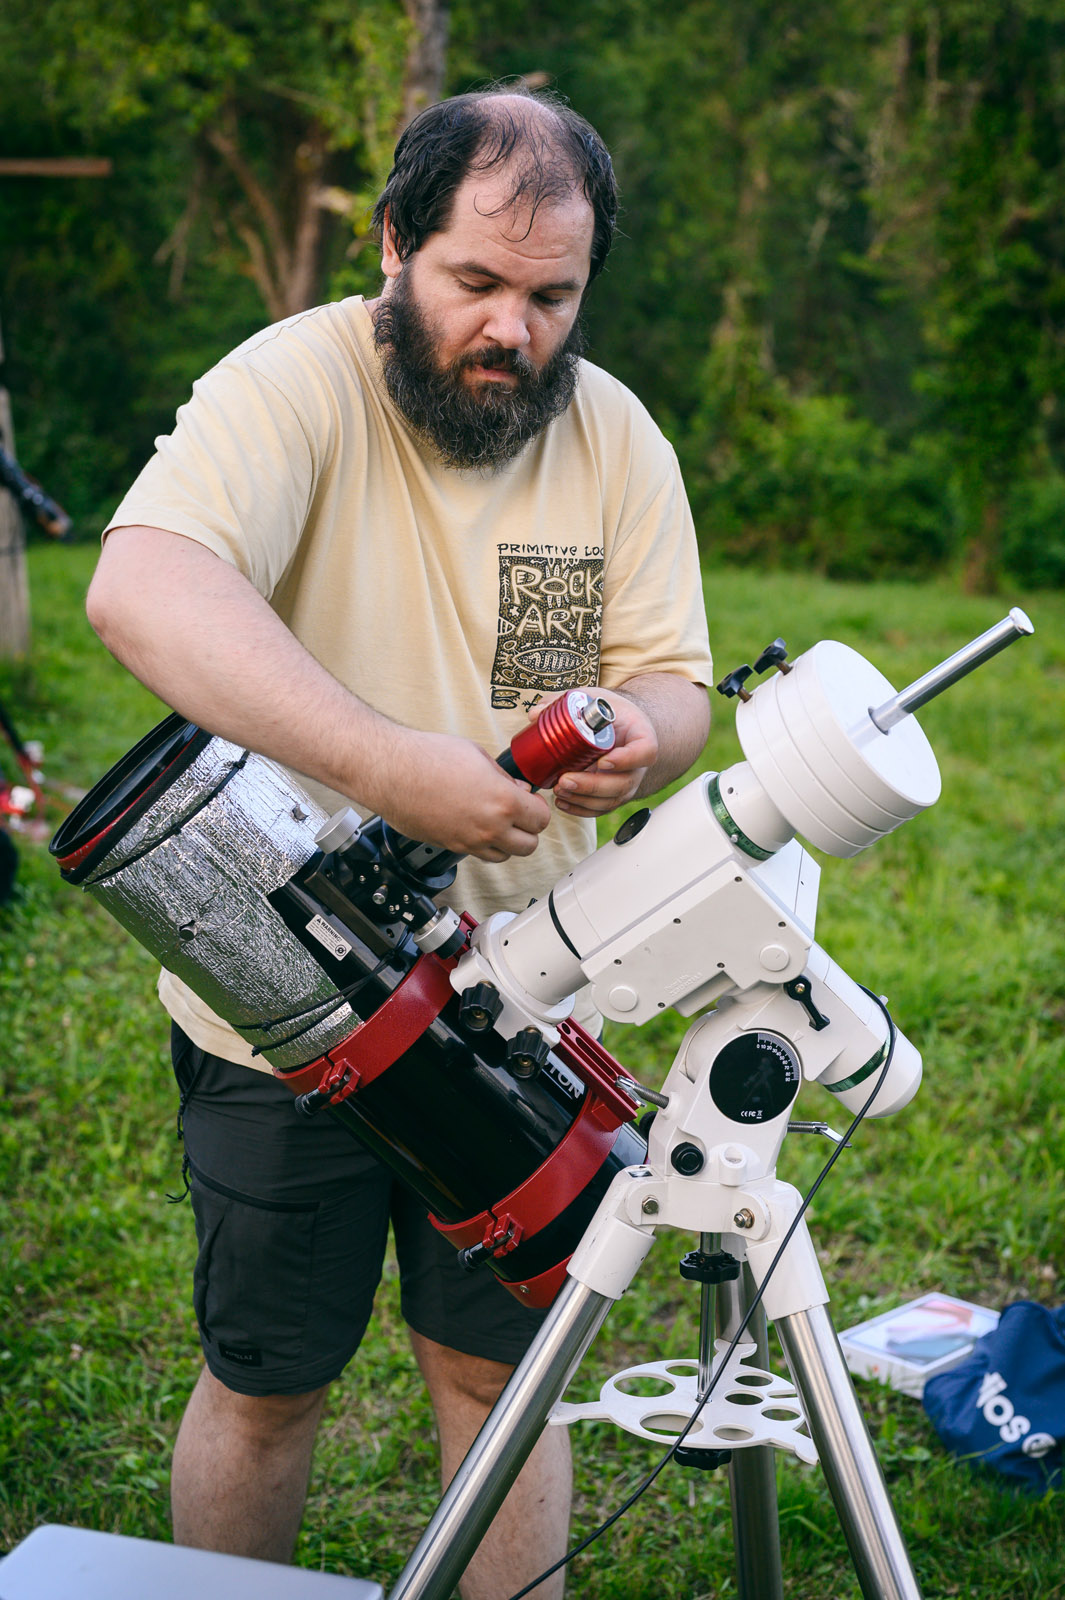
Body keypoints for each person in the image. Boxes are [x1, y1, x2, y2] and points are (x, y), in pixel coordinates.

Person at [86, 84, 714, 1599]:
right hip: (284, 1005)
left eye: (551, 297)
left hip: (522, 1005)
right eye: (475, 281)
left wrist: (640, 734)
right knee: (267, 1384)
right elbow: (140, 588)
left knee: (499, 1387)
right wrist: (390, 769)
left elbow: (675, 685)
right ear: (391, 244)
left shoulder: (615, 436)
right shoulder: (293, 383)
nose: (512, 330)